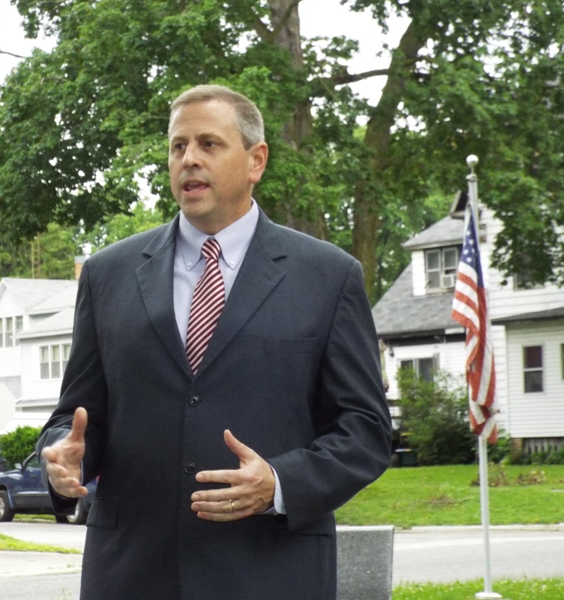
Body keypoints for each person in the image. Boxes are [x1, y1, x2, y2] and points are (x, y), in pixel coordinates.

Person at [38, 84, 391, 600]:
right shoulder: (107, 274)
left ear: (256, 161)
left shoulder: (327, 277)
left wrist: (279, 483)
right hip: (132, 574)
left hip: (270, 574)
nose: (189, 160)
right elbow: (78, 415)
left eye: (209, 144)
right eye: (178, 146)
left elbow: (365, 431)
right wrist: (63, 455)